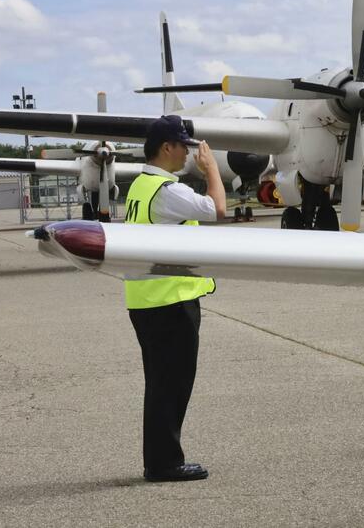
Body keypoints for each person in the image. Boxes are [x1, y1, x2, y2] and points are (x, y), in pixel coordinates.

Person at [123, 114, 226, 482]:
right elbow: (218, 209)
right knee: (172, 385)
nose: (188, 152)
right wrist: (212, 170)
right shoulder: (168, 191)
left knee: (160, 384)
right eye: (183, 145)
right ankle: (165, 463)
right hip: (170, 302)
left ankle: (160, 459)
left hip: (146, 300)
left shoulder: (139, 186)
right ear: (166, 148)